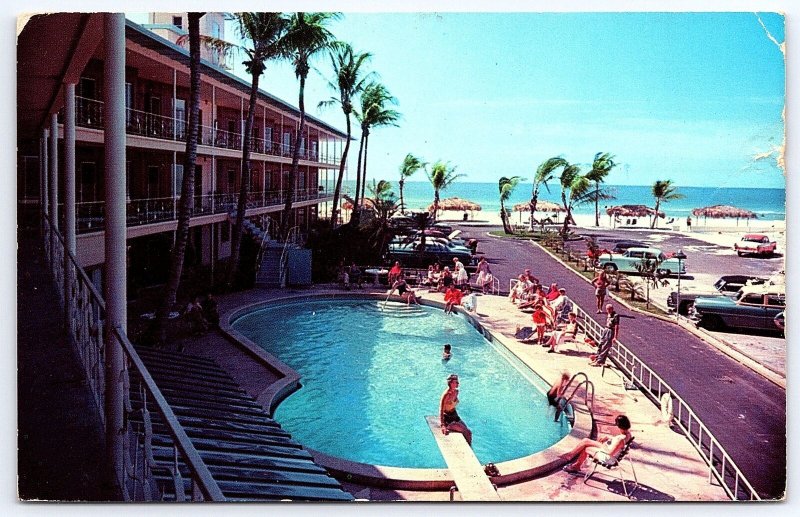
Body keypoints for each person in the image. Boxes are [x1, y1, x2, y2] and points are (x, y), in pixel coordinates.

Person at [563, 415, 632, 474]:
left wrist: (602, 445)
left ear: (618, 425)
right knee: (586, 441)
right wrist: (609, 437)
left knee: (586, 447)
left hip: (608, 458)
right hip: (611, 455)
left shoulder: (621, 439)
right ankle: (573, 460)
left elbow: (610, 452)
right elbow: (618, 444)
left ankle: (575, 463)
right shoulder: (628, 434)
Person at [439, 374, 472, 446]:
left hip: (455, 415)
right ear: (450, 383)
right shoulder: (446, 394)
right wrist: (442, 425)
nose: (458, 384)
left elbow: (452, 405)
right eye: (456, 382)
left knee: (469, 433)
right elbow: (441, 410)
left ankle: (469, 448)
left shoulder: (456, 392)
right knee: (466, 432)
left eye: (458, 382)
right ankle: (449, 426)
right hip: (448, 419)